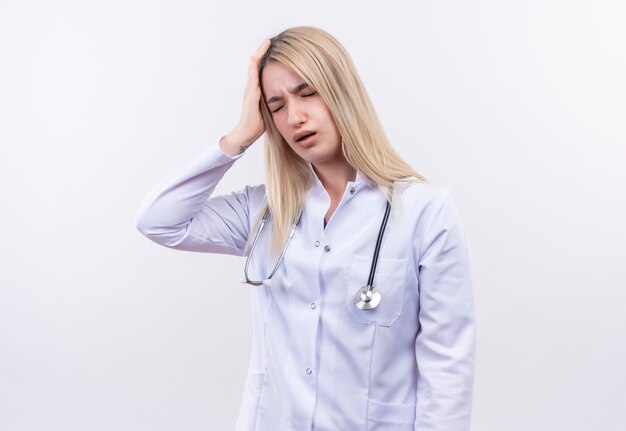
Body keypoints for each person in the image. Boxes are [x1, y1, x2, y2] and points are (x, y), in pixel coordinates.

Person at [134, 26, 476, 431]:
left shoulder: (425, 211)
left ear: (341, 90)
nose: (294, 116)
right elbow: (158, 221)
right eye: (276, 106)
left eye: (307, 92)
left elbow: (447, 364)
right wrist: (240, 136)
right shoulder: (264, 211)